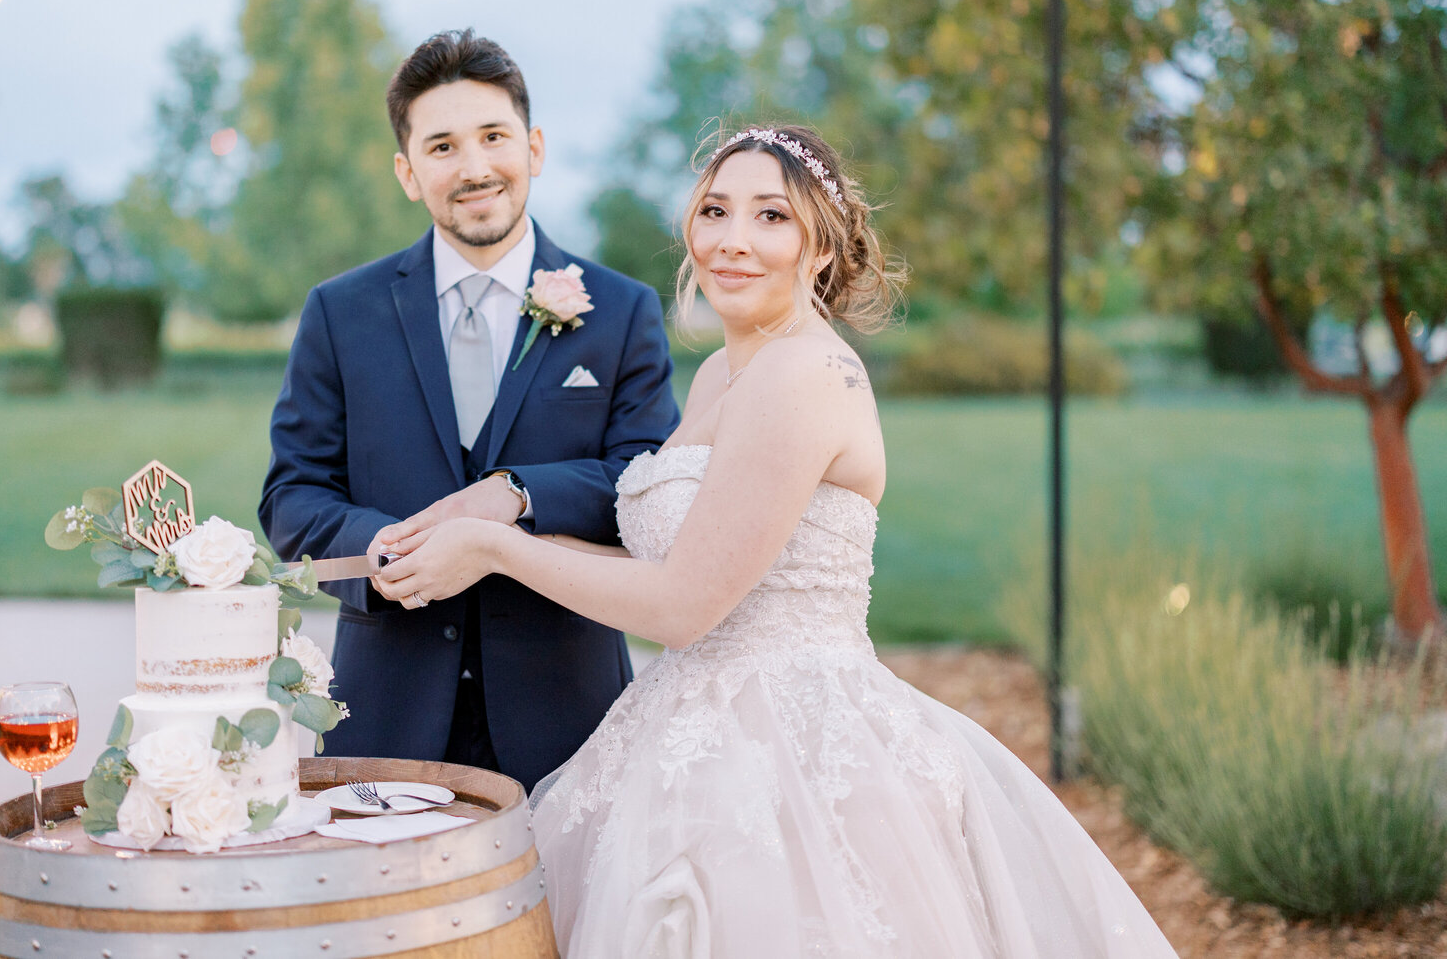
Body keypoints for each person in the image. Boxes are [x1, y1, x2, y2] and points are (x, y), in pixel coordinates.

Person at [372, 124, 1179, 957]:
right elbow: (669, 566)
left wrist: (501, 552)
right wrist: (478, 525)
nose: (733, 240)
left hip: (793, 750)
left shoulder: (801, 376)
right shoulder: (725, 371)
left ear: (819, 249)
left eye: (771, 218)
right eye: (716, 210)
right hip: (685, 721)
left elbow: (683, 607)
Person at [258, 29, 680, 794]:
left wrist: (518, 492)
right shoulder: (339, 313)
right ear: (407, 172)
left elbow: (645, 484)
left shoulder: (622, 312)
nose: (475, 167)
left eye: (494, 137)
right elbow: (291, 494)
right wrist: (377, 551)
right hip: (386, 714)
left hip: (571, 719)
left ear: (536, 148)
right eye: (443, 146)